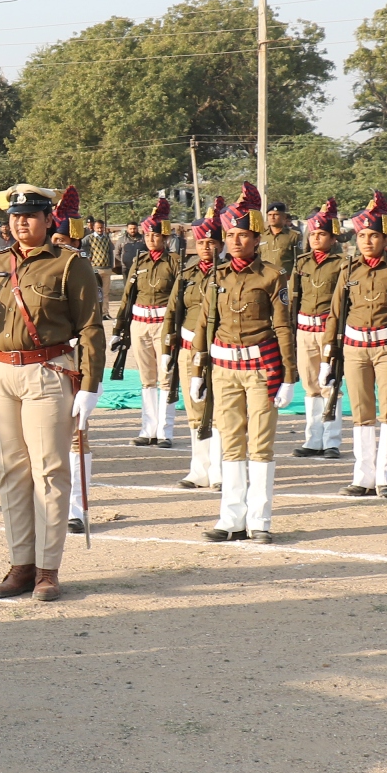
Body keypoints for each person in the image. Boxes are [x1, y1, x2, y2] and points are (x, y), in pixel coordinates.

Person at [0, 186, 105, 601]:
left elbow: (90, 327)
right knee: (11, 471)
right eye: (15, 216)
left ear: (49, 220)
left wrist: (90, 386)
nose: (21, 222)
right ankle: (20, 564)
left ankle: (48, 569)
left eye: (30, 215)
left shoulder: (69, 265)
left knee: (49, 470)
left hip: (47, 371)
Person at [192, 184, 295, 544]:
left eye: (243, 235)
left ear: (256, 238)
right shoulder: (216, 277)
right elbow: (205, 324)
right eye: (230, 235)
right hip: (223, 369)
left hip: (260, 369)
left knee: (261, 443)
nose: (235, 241)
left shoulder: (271, 276)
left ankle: (260, 520)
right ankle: (231, 518)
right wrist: (197, 371)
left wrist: (289, 376)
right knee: (230, 442)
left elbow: (282, 326)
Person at [332, 194, 387, 500]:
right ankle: (363, 477)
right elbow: (336, 313)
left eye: (373, 235)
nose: (366, 241)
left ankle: (386, 477)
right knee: (361, 412)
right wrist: (329, 352)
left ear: (385, 238)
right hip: (354, 347)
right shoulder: (349, 269)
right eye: (362, 235)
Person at [113, 198, 179, 448]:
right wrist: (119, 328)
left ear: (165, 237)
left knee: (166, 378)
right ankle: (148, 429)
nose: (151, 239)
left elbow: (178, 299)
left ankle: (165, 431)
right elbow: (127, 297)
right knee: (146, 379)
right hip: (139, 324)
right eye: (148, 235)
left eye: (156, 236)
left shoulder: (174, 263)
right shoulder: (139, 262)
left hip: (163, 323)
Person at [170, 201, 224, 490]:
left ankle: (218, 469)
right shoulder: (186, 274)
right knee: (195, 408)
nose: (206, 247)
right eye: (202, 242)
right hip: (189, 348)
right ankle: (198, 469)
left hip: (219, 348)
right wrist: (169, 348)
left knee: (218, 409)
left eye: (212, 242)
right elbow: (172, 312)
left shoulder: (228, 272)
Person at [289, 198, 347, 458]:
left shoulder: (342, 264)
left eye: (321, 234)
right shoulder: (301, 262)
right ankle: (313, 439)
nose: (315, 238)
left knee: (330, 383)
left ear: (333, 238)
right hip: (304, 329)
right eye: (313, 234)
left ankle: (331, 440)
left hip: (328, 329)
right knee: (311, 385)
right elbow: (293, 298)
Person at [259, 200, 299, 274]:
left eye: (276, 214)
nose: (272, 217)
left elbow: (299, 260)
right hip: (266, 277)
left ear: (284, 217)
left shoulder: (293, 236)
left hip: (286, 278)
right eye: (270, 215)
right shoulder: (262, 236)